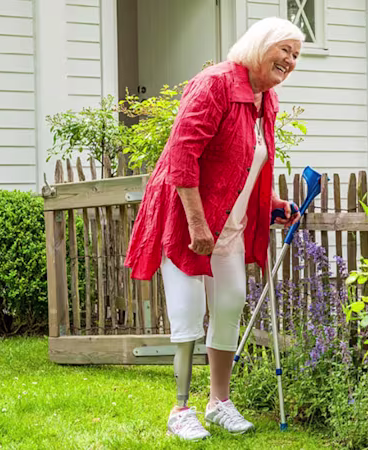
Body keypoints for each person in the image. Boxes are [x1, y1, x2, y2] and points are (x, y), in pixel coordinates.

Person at [124, 17, 304, 441]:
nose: (291, 62)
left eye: (296, 56)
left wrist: (273, 203)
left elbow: (247, 164)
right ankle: (181, 409)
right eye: (285, 51)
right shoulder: (216, 83)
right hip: (188, 222)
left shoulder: (266, 100)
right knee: (187, 315)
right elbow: (181, 157)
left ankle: (218, 402)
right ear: (261, 46)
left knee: (229, 305)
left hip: (229, 226)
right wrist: (197, 222)